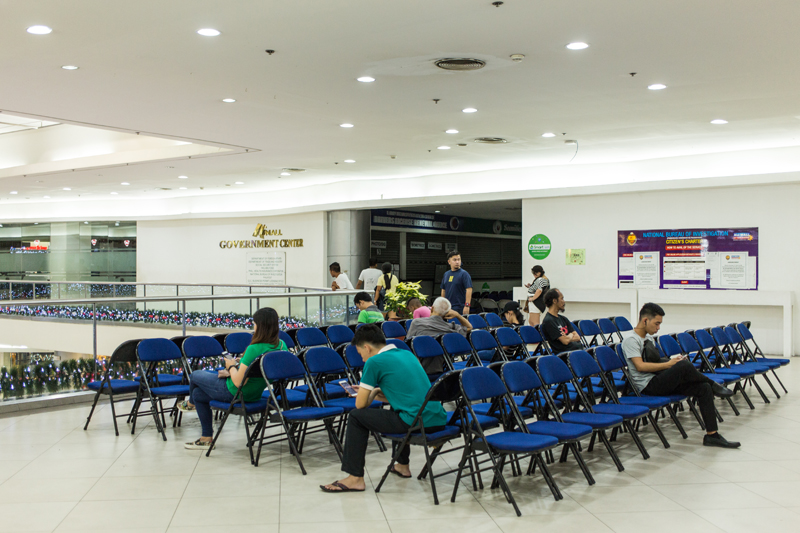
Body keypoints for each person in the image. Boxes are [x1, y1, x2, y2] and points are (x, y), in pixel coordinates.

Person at [320, 324, 447, 493]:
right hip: (437, 418)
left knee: (356, 417)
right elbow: (406, 396)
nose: (362, 359)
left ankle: (354, 478)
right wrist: (376, 392)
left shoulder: (374, 361)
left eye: (360, 354)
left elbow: (360, 405)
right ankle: (402, 465)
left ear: (366, 347)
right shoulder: (407, 354)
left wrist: (368, 393)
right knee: (397, 408)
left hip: (415, 422)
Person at [623, 303, 740, 449]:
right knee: (684, 367)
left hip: (659, 380)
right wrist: (670, 365)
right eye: (657, 323)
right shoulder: (631, 340)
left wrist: (673, 361)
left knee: (703, 388)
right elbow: (640, 366)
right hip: (648, 386)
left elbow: (656, 361)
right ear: (645, 320)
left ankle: (712, 435)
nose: (658, 327)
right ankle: (713, 384)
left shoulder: (648, 338)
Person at [180, 307, 286, 450]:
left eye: (254, 323)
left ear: (260, 326)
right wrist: (241, 363)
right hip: (255, 394)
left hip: (233, 392)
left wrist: (231, 366)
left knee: (195, 375)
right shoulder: (281, 345)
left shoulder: (253, 349)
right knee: (198, 394)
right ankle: (206, 439)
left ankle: (191, 404)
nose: (253, 327)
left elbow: (238, 382)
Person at [406, 297, 472, 374]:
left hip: (418, 369)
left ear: (432, 308)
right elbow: (469, 327)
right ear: (447, 313)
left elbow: (408, 344)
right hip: (441, 369)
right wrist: (458, 315)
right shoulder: (450, 328)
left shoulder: (416, 323)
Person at [540, 289, 584, 354]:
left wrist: (569, 336)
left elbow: (577, 337)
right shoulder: (548, 321)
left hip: (577, 351)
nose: (564, 302)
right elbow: (565, 341)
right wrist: (570, 335)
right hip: (566, 355)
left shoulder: (563, 319)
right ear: (554, 301)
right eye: (562, 299)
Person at [440, 251, 473, 315]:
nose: (457, 262)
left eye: (459, 259)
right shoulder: (446, 274)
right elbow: (443, 290)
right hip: (448, 307)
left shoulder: (464, 274)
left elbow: (469, 289)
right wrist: (443, 304)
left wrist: (467, 305)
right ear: (449, 262)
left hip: (460, 307)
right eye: (454, 260)